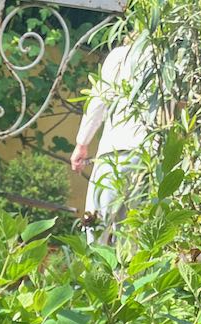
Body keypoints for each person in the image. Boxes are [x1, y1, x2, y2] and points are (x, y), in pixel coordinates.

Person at [71, 40, 148, 241]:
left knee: (97, 227)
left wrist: (82, 143)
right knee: (133, 234)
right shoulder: (173, 58)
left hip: (117, 151)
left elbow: (99, 100)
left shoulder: (122, 55)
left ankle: (95, 270)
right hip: (150, 156)